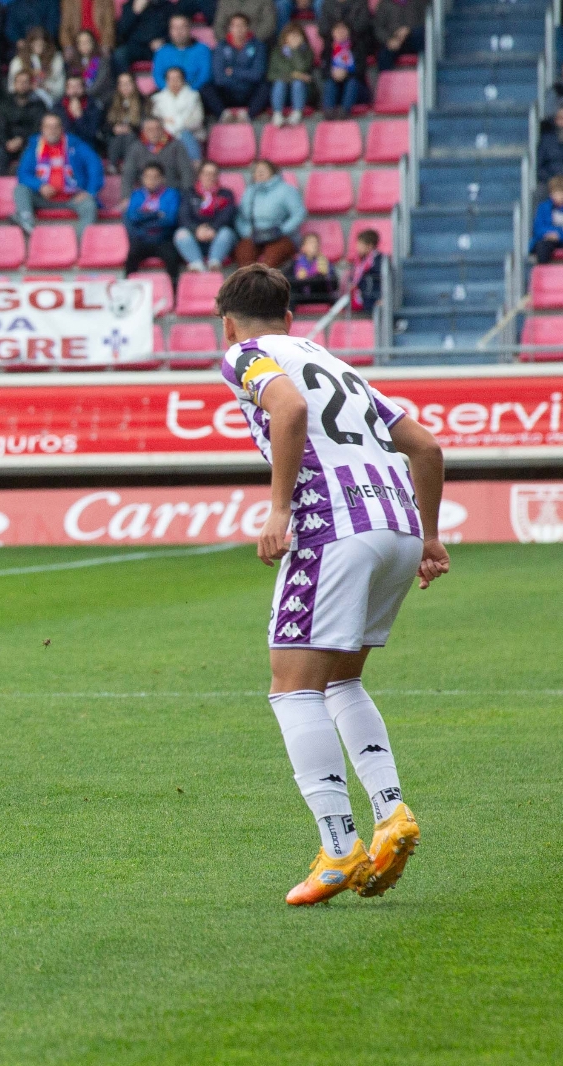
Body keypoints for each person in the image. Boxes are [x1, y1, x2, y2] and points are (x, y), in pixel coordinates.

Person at [214, 262, 447, 905]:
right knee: (342, 679)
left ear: (228, 325)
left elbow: (287, 409)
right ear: (291, 318)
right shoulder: (335, 362)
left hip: (334, 527)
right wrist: (429, 537)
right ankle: (391, 812)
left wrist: (279, 509)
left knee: (293, 687)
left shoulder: (245, 355)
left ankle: (339, 847)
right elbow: (426, 447)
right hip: (397, 525)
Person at [14, 112, 102, 238]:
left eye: (56, 126)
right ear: (42, 129)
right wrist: (40, 186)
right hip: (43, 198)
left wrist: (90, 191)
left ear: (62, 129)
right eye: (48, 127)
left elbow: (95, 166)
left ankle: (80, 242)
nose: (52, 130)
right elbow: (23, 174)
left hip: (72, 197)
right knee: (20, 189)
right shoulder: (34, 148)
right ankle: (26, 222)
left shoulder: (75, 145)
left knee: (89, 205)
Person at [235, 158, 305, 267]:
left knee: (270, 260)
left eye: (263, 170)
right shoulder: (249, 191)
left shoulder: (287, 190)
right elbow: (240, 216)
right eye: (256, 171)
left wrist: (282, 230)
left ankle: (265, 279)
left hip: (280, 236)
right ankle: (249, 278)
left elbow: (299, 213)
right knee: (244, 254)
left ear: (273, 172)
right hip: (254, 235)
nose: (259, 173)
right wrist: (246, 231)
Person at [122, 161, 182, 283]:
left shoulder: (171, 194)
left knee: (172, 258)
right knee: (131, 257)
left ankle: (174, 291)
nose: (151, 180)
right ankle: (128, 290)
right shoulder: (137, 195)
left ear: (162, 179)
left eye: (155, 177)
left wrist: (143, 218)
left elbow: (170, 220)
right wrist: (156, 214)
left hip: (163, 239)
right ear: (142, 179)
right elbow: (132, 217)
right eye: (148, 177)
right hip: (142, 239)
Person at [174, 160, 237, 271]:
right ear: (200, 175)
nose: (210, 177)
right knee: (180, 234)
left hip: (217, 236)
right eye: (206, 173)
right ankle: (197, 265)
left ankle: (214, 264)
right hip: (195, 237)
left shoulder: (226, 194)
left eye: (213, 174)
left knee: (226, 233)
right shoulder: (189, 193)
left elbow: (227, 215)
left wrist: (213, 228)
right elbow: (184, 216)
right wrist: (196, 230)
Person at [204, 14, 268, 121]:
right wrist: (244, 75)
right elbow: (219, 78)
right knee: (206, 88)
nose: (239, 29)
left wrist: (234, 71)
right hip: (228, 91)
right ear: (230, 28)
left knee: (266, 86)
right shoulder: (221, 46)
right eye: (235, 26)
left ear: (248, 28)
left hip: (249, 91)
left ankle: (248, 115)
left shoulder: (258, 46)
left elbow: (257, 74)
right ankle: (224, 115)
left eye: (242, 25)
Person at [0, 69, 48, 176]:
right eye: (19, 82)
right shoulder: (5, 103)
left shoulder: (39, 104)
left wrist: (22, 140)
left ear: (31, 84)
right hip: (8, 143)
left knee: (30, 154)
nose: (22, 85)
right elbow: (0, 127)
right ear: (14, 84)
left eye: (25, 82)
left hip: (29, 143)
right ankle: (2, 182)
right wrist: (7, 142)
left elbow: (38, 128)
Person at [121, 116, 192, 196]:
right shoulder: (136, 148)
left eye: (157, 129)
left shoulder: (176, 146)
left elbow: (186, 172)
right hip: (145, 195)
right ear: (143, 131)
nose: (154, 132)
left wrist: (186, 195)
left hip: (172, 192)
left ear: (163, 129)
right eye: (149, 129)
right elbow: (128, 174)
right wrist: (126, 196)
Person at [150, 66, 203, 160]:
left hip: (188, 133)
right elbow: (155, 120)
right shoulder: (157, 99)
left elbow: (197, 120)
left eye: (177, 78)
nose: (174, 82)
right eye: (171, 79)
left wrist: (177, 124)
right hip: (164, 134)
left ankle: (195, 163)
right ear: (166, 81)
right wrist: (167, 125)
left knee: (185, 135)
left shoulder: (193, 96)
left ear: (183, 80)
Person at [267, 23, 314, 128]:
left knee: (298, 83)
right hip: (281, 91)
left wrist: (295, 50)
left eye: (297, 35)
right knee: (280, 82)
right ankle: (277, 114)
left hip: (302, 91)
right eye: (291, 35)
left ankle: (297, 113)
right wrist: (295, 74)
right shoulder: (277, 52)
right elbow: (272, 74)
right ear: (285, 37)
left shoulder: (307, 52)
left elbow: (302, 68)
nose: (294, 38)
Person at [151, 14, 211, 93]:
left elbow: (205, 76)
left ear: (189, 28)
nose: (179, 32)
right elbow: (158, 76)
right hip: (167, 93)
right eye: (175, 28)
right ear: (170, 30)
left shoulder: (203, 50)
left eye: (182, 27)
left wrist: (187, 91)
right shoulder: (162, 51)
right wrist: (172, 91)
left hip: (197, 91)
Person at [319, 22, 365, 120]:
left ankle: (344, 112)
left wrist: (346, 73)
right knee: (329, 82)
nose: (340, 32)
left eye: (343, 29)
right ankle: (328, 112)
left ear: (349, 32)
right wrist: (333, 73)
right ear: (332, 33)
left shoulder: (357, 48)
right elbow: (323, 71)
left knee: (352, 82)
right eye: (337, 30)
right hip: (336, 86)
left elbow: (361, 70)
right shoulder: (328, 50)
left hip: (355, 89)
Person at [112, 0, 171, 76]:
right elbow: (121, 32)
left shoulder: (166, 6)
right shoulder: (129, 6)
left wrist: (164, 41)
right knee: (119, 54)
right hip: (134, 47)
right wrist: (134, 12)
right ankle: (126, 82)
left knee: (170, 53)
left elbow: (175, 31)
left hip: (157, 47)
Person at [104, 70, 146, 167]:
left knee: (129, 137)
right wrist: (114, 129)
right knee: (117, 138)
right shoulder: (110, 101)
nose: (125, 87)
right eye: (122, 84)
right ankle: (112, 165)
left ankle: (129, 165)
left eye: (128, 83)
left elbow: (144, 124)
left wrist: (131, 129)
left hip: (135, 136)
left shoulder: (143, 101)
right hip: (114, 137)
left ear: (134, 84)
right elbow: (104, 125)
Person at [285, 231, 337, 307]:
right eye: (311, 242)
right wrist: (299, 279)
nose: (315, 245)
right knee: (292, 293)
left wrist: (326, 275)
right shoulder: (295, 263)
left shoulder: (325, 262)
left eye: (316, 243)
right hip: (302, 296)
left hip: (320, 295)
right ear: (303, 247)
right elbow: (287, 282)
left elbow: (335, 285)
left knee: (320, 278)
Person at [372, 0, 425, 72]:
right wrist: (388, 40)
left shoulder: (417, 2)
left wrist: (408, 30)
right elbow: (378, 28)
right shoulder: (384, 4)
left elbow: (424, 22)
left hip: (412, 38)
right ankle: (386, 78)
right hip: (393, 40)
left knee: (421, 35)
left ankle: (427, 74)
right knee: (383, 55)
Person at [56, 73, 103, 149]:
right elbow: (60, 131)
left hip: (86, 144)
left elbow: (91, 133)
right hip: (63, 146)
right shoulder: (58, 106)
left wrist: (79, 117)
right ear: (66, 89)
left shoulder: (93, 106)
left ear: (84, 88)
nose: (74, 90)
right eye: (71, 87)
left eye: (78, 86)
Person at [347, 227, 383, 312]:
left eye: (360, 244)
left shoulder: (379, 261)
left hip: (374, 302)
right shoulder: (359, 261)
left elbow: (382, 282)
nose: (357, 247)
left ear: (370, 246)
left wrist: (382, 298)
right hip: (363, 301)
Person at [531, 177, 563, 264]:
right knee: (542, 246)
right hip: (548, 240)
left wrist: (559, 235)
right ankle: (543, 269)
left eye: (561, 193)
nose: (559, 196)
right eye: (556, 193)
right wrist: (549, 234)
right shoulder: (543, 207)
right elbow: (538, 227)